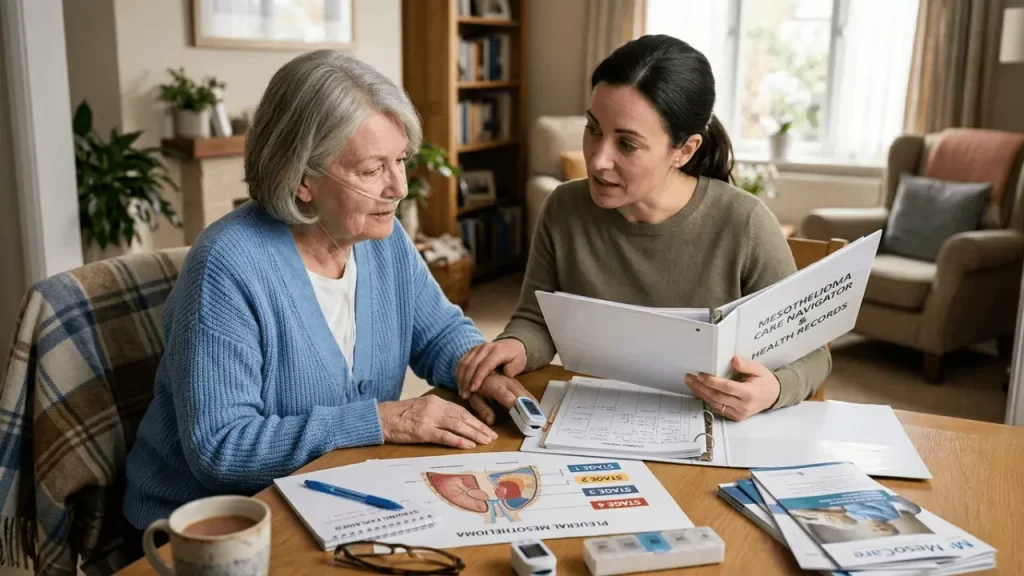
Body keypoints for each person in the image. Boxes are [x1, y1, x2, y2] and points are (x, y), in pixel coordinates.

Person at [122, 50, 531, 531]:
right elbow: (220, 448)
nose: (398, 187)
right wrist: (380, 421)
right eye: (372, 169)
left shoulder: (383, 239)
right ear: (302, 179)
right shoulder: (226, 266)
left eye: (400, 161)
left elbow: (438, 331)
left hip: (332, 496)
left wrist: (478, 367)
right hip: (211, 529)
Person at [457, 34, 831, 421]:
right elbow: (538, 320)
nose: (599, 160)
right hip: (593, 421)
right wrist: (515, 345)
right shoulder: (564, 208)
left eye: (627, 145)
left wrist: (771, 390)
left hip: (712, 428)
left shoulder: (745, 222)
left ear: (684, 150)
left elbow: (811, 355)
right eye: (593, 129)